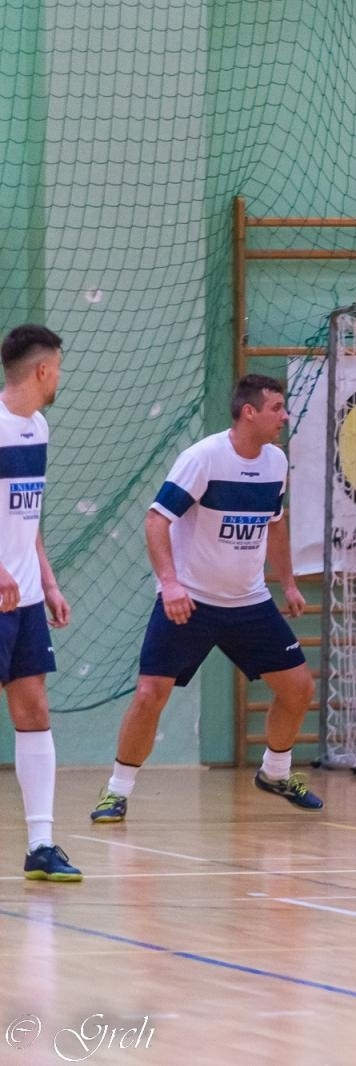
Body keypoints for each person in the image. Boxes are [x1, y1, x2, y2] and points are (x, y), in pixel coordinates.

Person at [91, 374, 322, 822]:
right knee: (148, 694)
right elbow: (157, 520)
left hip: (248, 602)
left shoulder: (275, 462)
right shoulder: (203, 458)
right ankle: (116, 791)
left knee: (298, 689)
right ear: (249, 412)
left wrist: (288, 582)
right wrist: (171, 584)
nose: (284, 415)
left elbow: (274, 523)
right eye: (277, 407)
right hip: (191, 601)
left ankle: (275, 773)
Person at [0, 325, 78, 880]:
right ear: (43, 370)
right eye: (59, 368)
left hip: (25, 601)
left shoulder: (39, 427)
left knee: (34, 710)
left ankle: (42, 845)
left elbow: (27, 518)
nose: (59, 378)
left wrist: (47, 581)